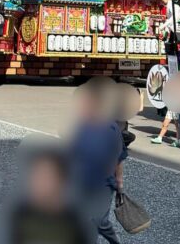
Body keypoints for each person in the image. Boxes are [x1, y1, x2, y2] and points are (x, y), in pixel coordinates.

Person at [69, 78, 126, 244]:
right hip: (83, 181)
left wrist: (120, 185)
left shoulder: (111, 127)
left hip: (104, 184)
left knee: (99, 221)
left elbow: (120, 157)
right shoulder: (81, 126)